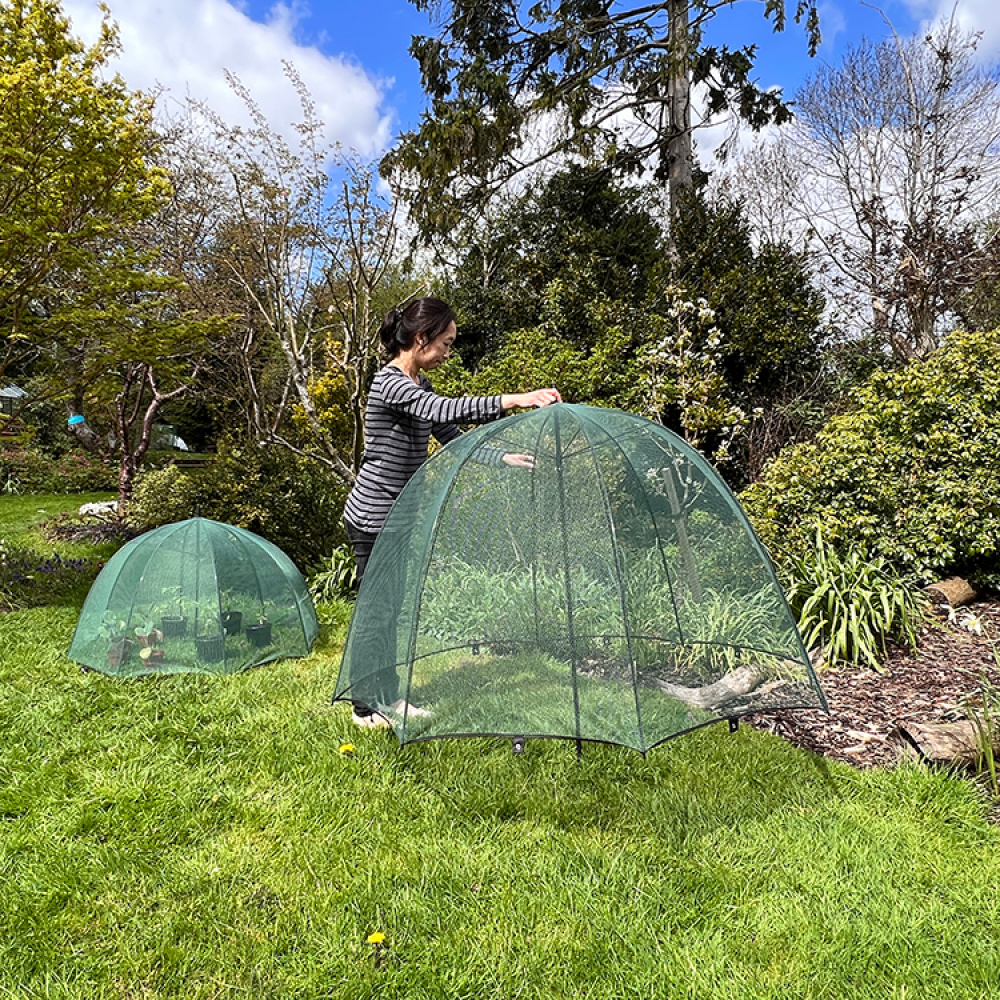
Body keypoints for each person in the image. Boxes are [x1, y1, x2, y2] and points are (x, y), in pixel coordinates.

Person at [342, 296, 562, 728]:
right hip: (372, 518)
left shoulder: (419, 384)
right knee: (375, 612)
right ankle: (364, 707)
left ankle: (388, 694)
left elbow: (447, 432)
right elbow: (437, 410)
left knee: (392, 610)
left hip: (401, 517)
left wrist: (500, 457)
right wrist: (514, 399)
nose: (447, 352)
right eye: (445, 343)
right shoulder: (390, 383)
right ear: (421, 338)